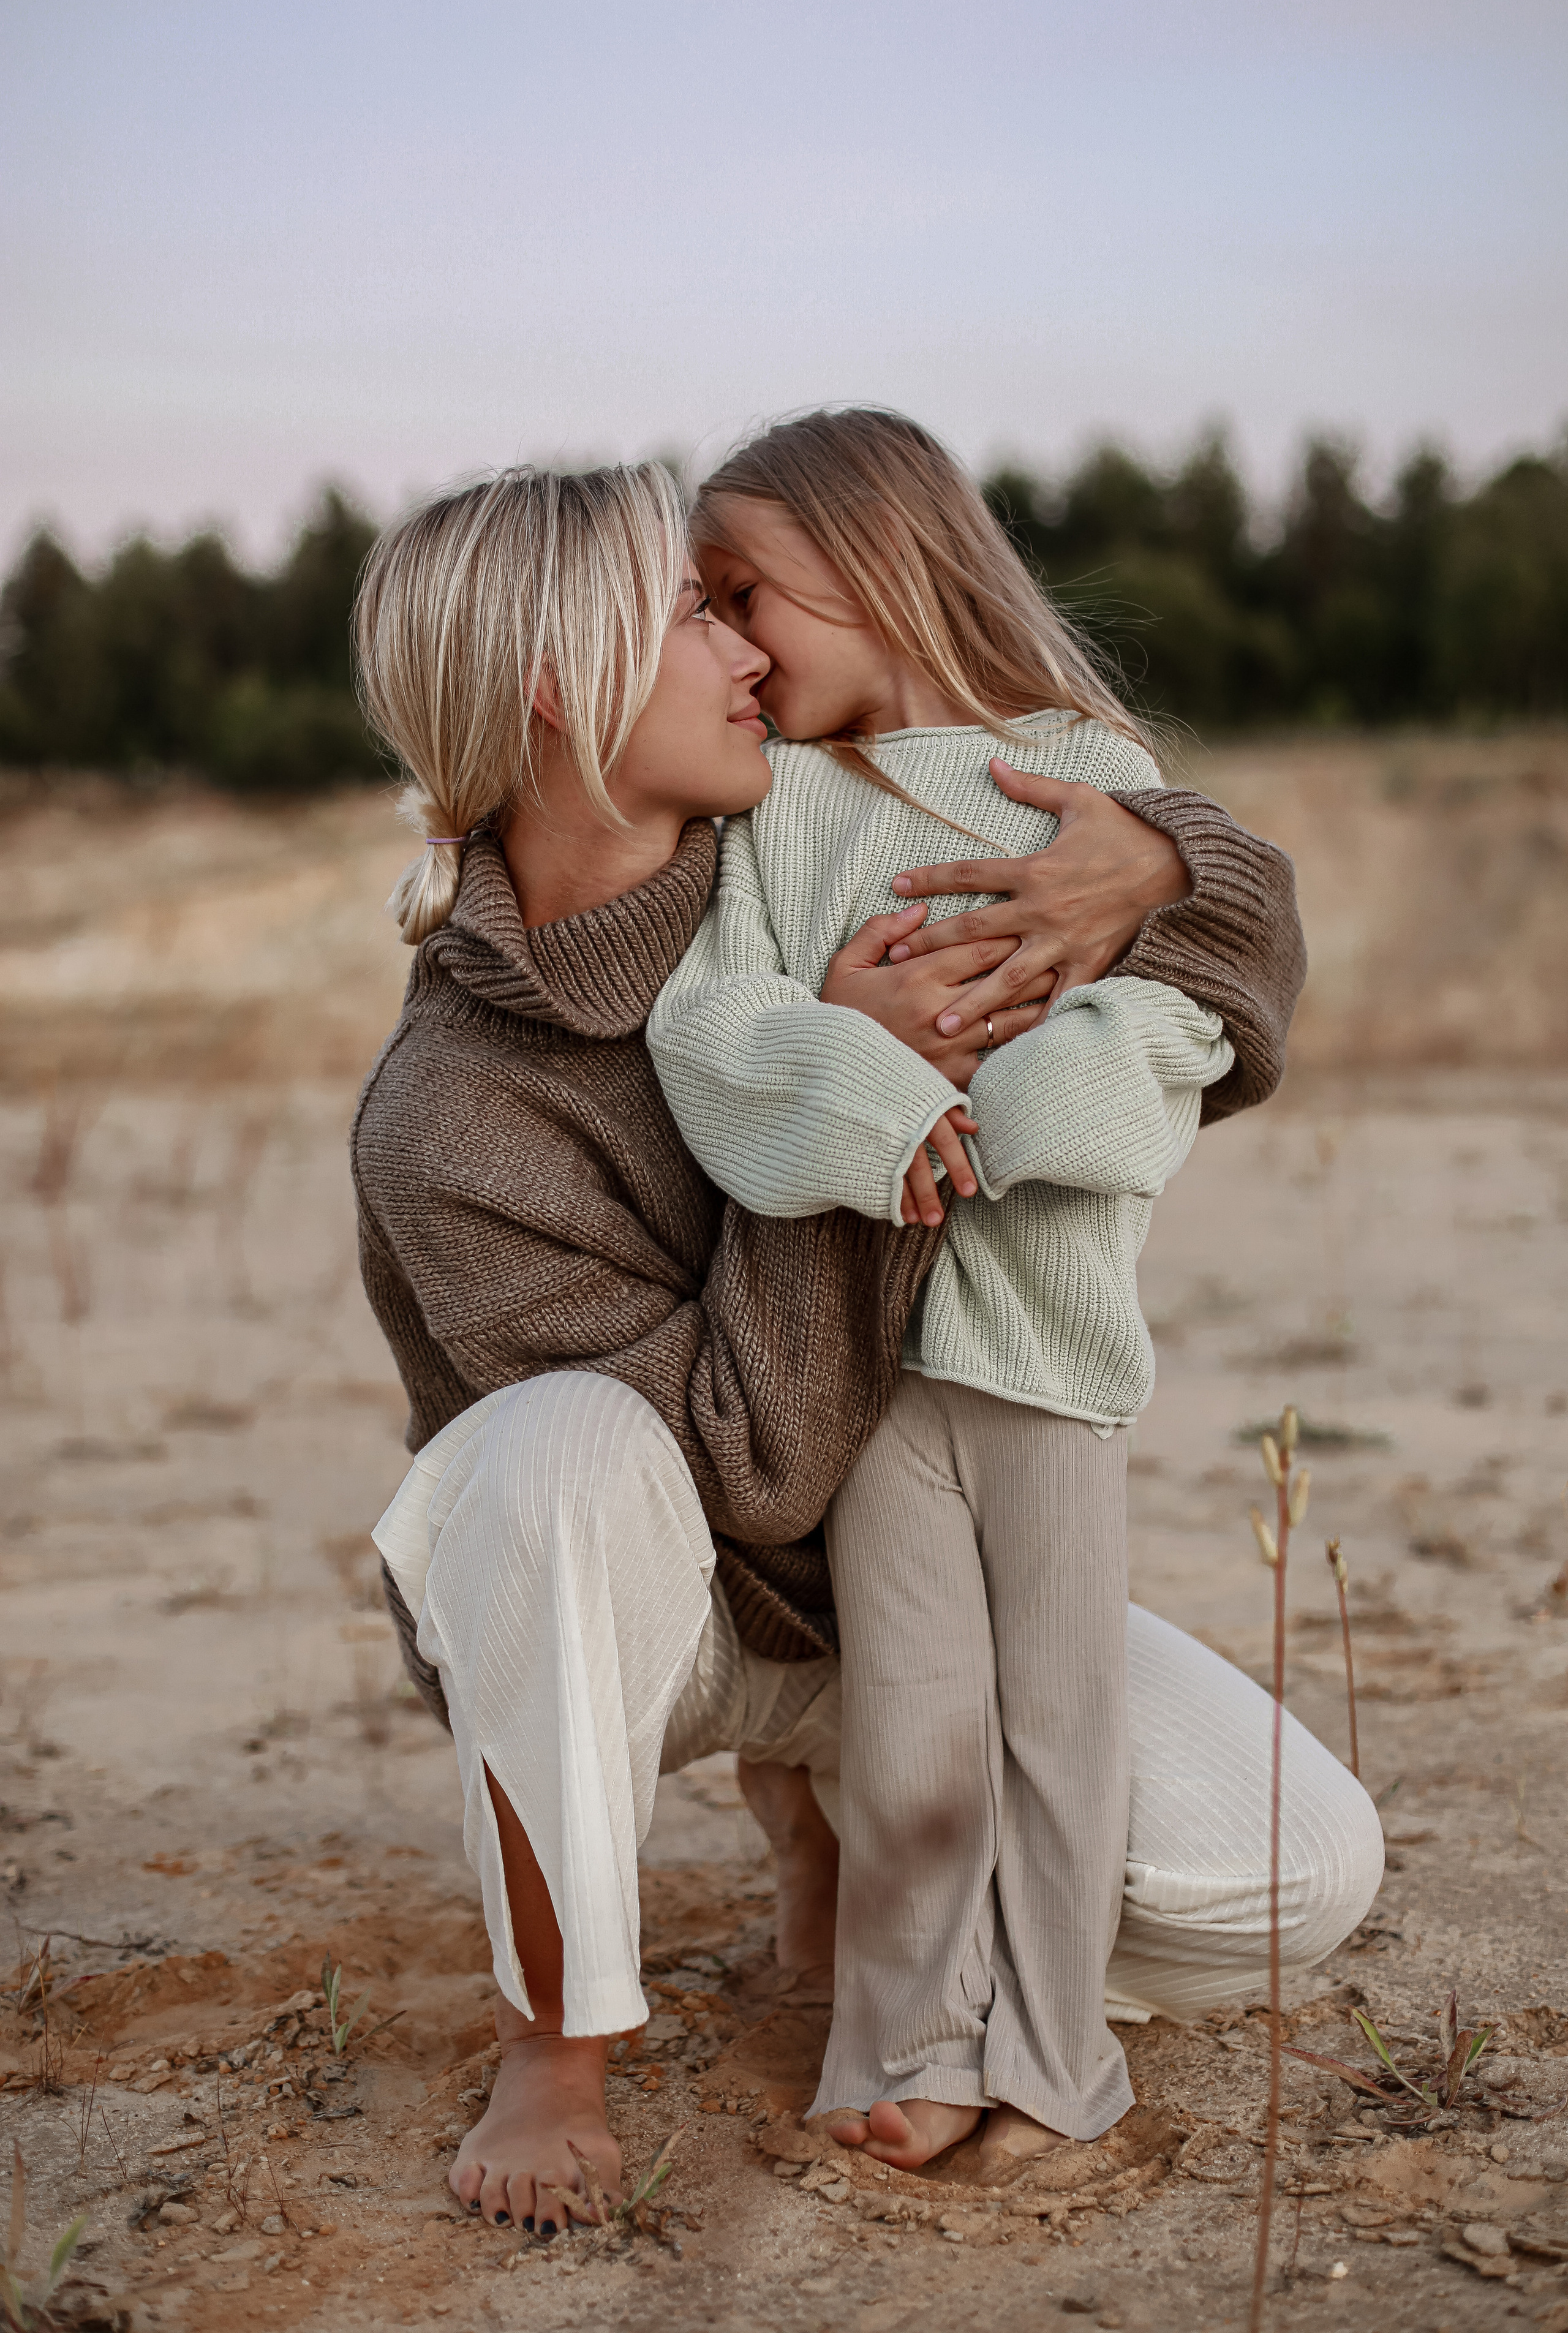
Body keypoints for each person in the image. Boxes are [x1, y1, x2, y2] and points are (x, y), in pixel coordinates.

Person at [349, 458, 1381, 2234]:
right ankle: (556, 2037)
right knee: (552, 1454)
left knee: (1290, 1875)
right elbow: (744, 1470)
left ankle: (863, 1842)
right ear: (557, 680)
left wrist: (1159, 857)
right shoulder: (454, 1116)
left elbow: (1230, 937)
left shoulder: (815, 836)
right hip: (661, 1611)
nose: (745, 649)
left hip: (925, 1571)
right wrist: (843, 1089)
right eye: (693, 610)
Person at [646, 405, 1374, 2175]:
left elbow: (1182, 1006)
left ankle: (1057, 2062)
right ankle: (909, 2035)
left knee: (1061, 1727)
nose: (735, 646)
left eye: (753, 596)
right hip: (878, 1356)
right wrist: (884, 1094)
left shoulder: (1084, 769)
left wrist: (1032, 1104)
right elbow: (713, 1029)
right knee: (914, 1735)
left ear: (880, 572)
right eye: (712, 608)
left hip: (1051, 1350)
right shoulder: (775, 812)